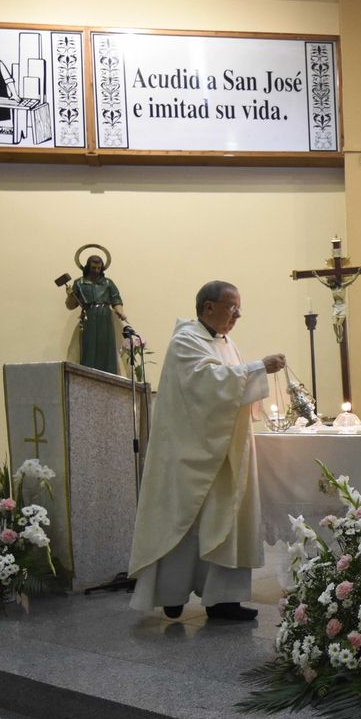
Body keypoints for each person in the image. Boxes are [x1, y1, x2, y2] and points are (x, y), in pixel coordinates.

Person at [128, 281, 286, 622]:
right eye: (232, 307)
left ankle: (224, 600)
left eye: (239, 308)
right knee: (185, 522)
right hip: (191, 454)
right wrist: (259, 367)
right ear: (208, 306)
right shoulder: (186, 340)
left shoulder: (226, 343)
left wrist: (254, 371)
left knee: (227, 522)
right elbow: (208, 384)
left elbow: (231, 384)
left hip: (227, 452)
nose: (238, 315)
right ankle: (172, 593)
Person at [65, 253, 128, 375]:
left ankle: (109, 376)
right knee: (89, 346)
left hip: (105, 316)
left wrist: (120, 311)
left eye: (99, 268)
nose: (96, 270)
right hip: (89, 316)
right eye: (93, 268)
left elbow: (116, 299)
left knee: (106, 346)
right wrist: (70, 296)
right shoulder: (79, 283)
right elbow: (71, 306)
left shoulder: (108, 283)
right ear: (88, 267)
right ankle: (89, 375)